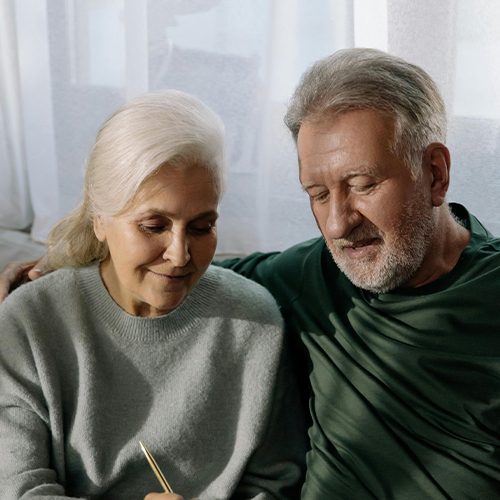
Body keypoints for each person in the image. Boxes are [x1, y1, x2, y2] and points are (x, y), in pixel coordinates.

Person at [2, 48, 500, 498]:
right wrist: (57, 266)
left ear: (434, 173)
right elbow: (187, 273)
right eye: (318, 194)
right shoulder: (313, 274)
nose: (337, 224)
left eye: (363, 184)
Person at [0, 89, 307, 499]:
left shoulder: (256, 321)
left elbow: (276, 484)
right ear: (100, 222)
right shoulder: (29, 321)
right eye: (153, 226)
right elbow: (18, 488)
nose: (180, 255)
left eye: (201, 227)